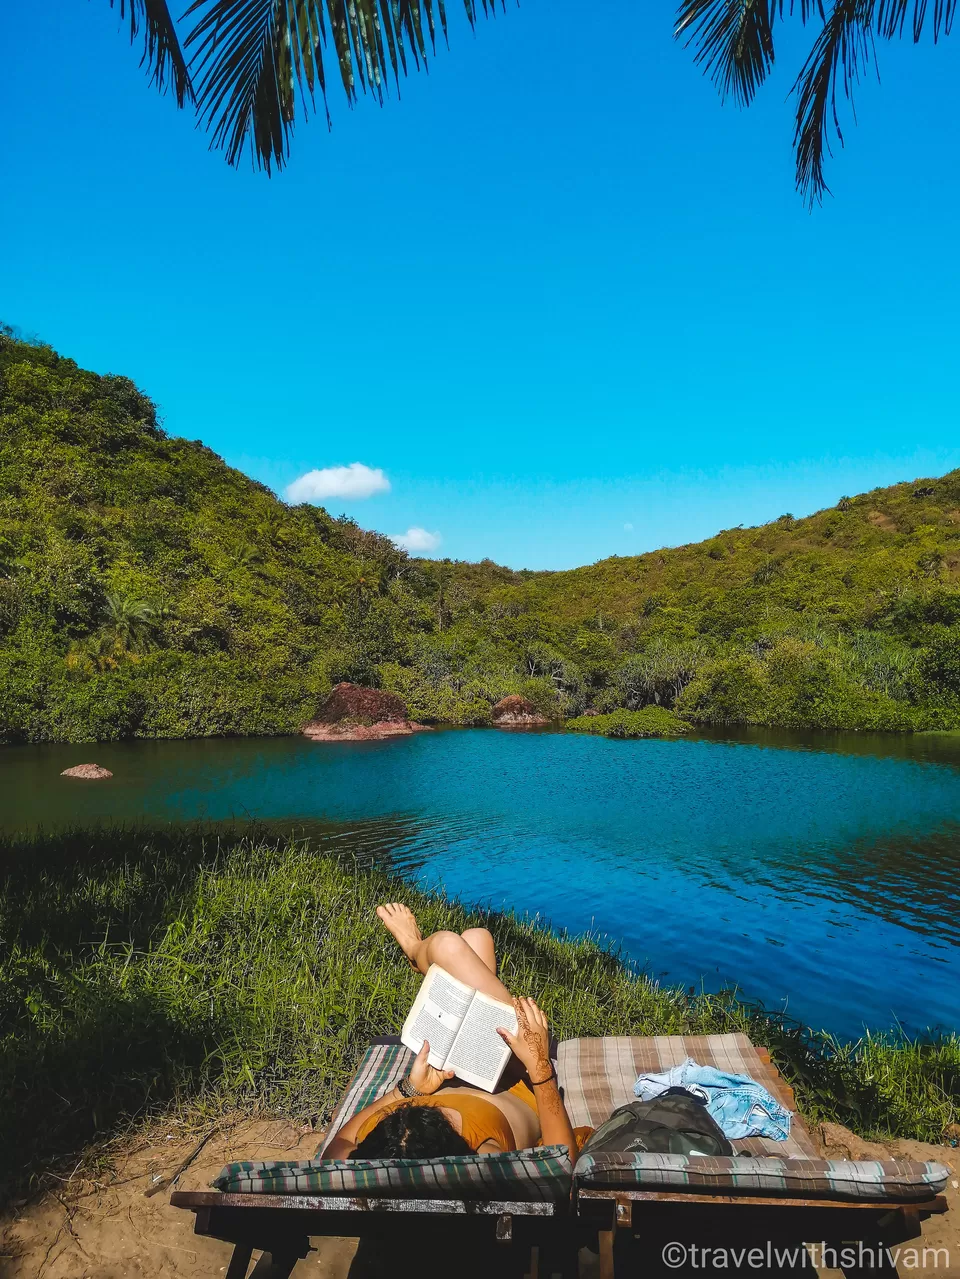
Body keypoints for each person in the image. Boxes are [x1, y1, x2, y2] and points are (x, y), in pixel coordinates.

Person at [323, 903, 579, 1160]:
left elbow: (341, 1142)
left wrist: (410, 1091)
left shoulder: (376, 1150)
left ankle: (419, 954)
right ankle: (415, 950)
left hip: (445, 1073)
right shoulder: (483, 1159)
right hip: (515, 1076)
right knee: (454, 944)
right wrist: (540, 1068)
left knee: (475, 941)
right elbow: (562, 1163)